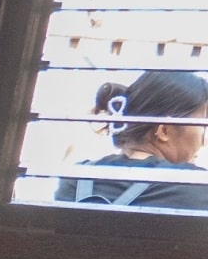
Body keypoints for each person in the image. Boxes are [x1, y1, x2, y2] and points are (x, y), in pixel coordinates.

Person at [57, 69, 208, 211]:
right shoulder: (198, 187)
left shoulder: (75, 180)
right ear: (164, 131)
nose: (204, 140)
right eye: (203, 124)